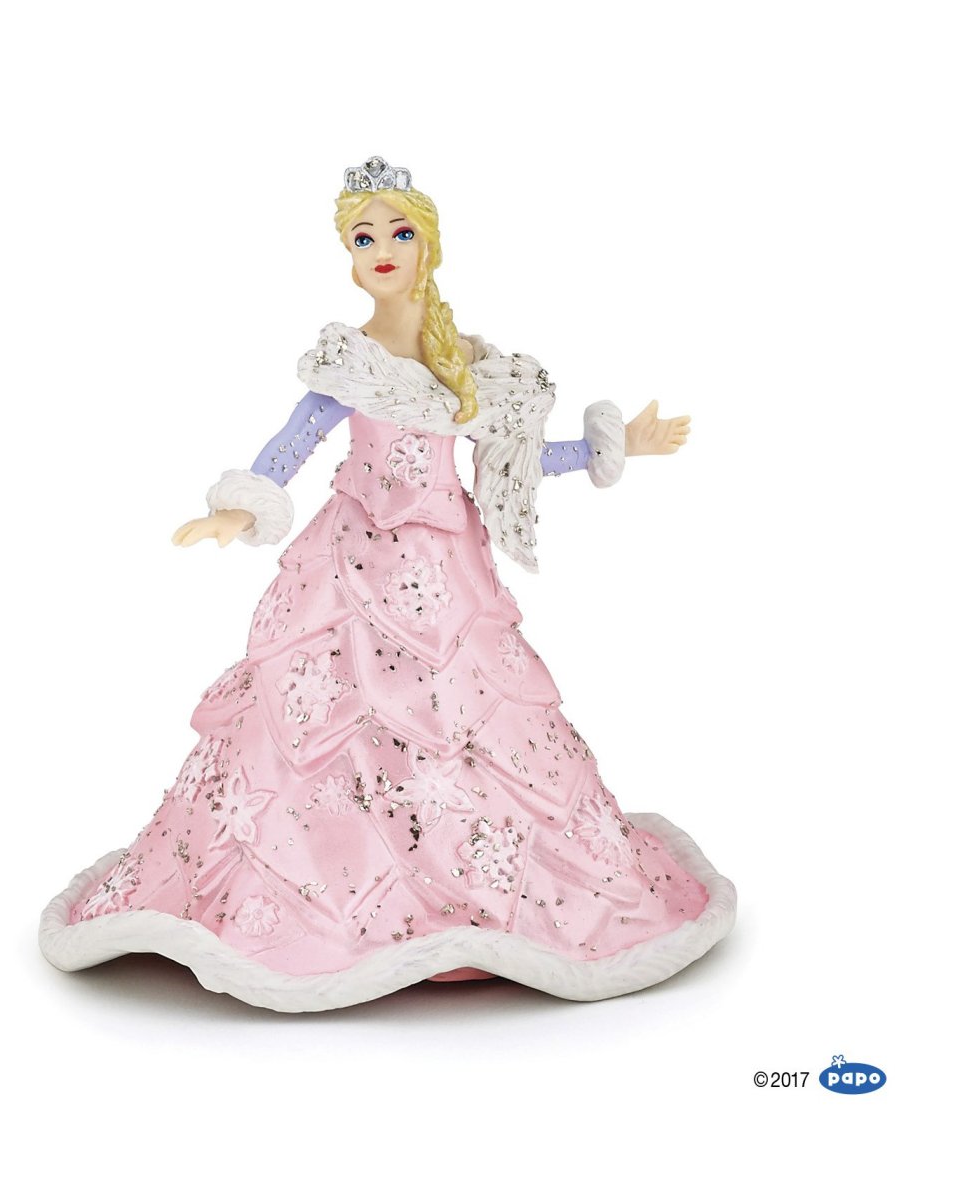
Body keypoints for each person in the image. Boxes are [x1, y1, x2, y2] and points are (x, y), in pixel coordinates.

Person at [39, 155, 736, 1012]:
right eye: (364, 239)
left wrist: (610, 447)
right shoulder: (353, 360)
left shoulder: (464, 361)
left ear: (427, 247)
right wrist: (238, 510)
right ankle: (333, 879)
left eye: (397, 233)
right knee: (325, 712)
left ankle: (463, 878)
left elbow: (515, 459)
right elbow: (292, 443)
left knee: (460, 717)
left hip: (445, 573)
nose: (381, 251)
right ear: (349, 256)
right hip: (355, 562)